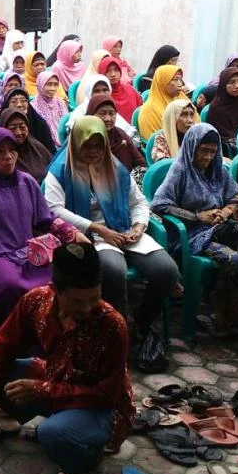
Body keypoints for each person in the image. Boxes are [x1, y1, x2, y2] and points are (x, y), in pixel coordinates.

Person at [0, 242, 134, 474]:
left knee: (53, 434)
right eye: (77, 301)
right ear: (55, 290)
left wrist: (42, 390)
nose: (87, 308)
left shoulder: (113, 325)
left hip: (102, 406)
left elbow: (107, 394)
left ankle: (87, 458)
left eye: (94, 298)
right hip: (56, 379)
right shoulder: (36, 301)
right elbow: (1, 349)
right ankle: (37, 416)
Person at [44, 116, 179, 339]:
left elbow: (138, 202)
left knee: (167, 270)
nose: (94, 151)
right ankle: (117, 330)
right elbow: (55, 210)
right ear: (76, 142)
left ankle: (143, 323)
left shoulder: (114, 167)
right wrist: (98, 229)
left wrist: (138, 226)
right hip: (91, 237)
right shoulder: (60, 171)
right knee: (114, 271)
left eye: (99, 145)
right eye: (88, 145)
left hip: (123, 230)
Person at [151, 124, 238, 335]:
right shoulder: (180, 171)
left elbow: (236, 195)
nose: (208, 157)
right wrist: (196, 216)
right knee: (234, 260)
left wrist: (227, 211)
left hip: (223, 229)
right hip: (193, 235)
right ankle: (225, 314)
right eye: (203, 151)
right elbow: (159, 204)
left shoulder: (218, 170)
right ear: (192, 147)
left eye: (212, 152)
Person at [0, 127, 86, 334]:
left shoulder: (26, 182)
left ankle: (49, 338)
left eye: (12, 150)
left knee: (60, 279)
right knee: (9, 285)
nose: (7, 157)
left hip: (28, 252)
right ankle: (8, 342)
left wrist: (71, 232)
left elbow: (46, 218)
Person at [87, 94, 146, 182]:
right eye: (102, 114)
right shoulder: (85, 139)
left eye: (112, 114)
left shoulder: (120, 135)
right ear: (91, 114)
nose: (108, 119)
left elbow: (140, 163)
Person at [0, 108, 54, 182]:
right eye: (12, 128)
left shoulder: (37, 147)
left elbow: (53, 170)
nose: (18, 132)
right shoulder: (0, 155)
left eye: (22, 127)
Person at [136, 65, 189, 139]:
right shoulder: (150, 109)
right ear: (163, 82)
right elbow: (155, 141)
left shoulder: (181, 97)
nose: (180, 84)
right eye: (176, 79)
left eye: (180, 80)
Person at [98, 56, 141, 122]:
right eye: (108, 71)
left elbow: (140, 111)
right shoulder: (101, 95)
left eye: (116, 70)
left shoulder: (130, 90)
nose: (113, 74)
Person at [31, 70, 66, 147]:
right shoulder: (33, 106)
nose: (53, 88)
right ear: (41, 84)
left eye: (56, 85)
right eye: (49, 84)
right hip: (44, 144)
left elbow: (65, 124)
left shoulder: (60, 103)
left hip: (63, 142)